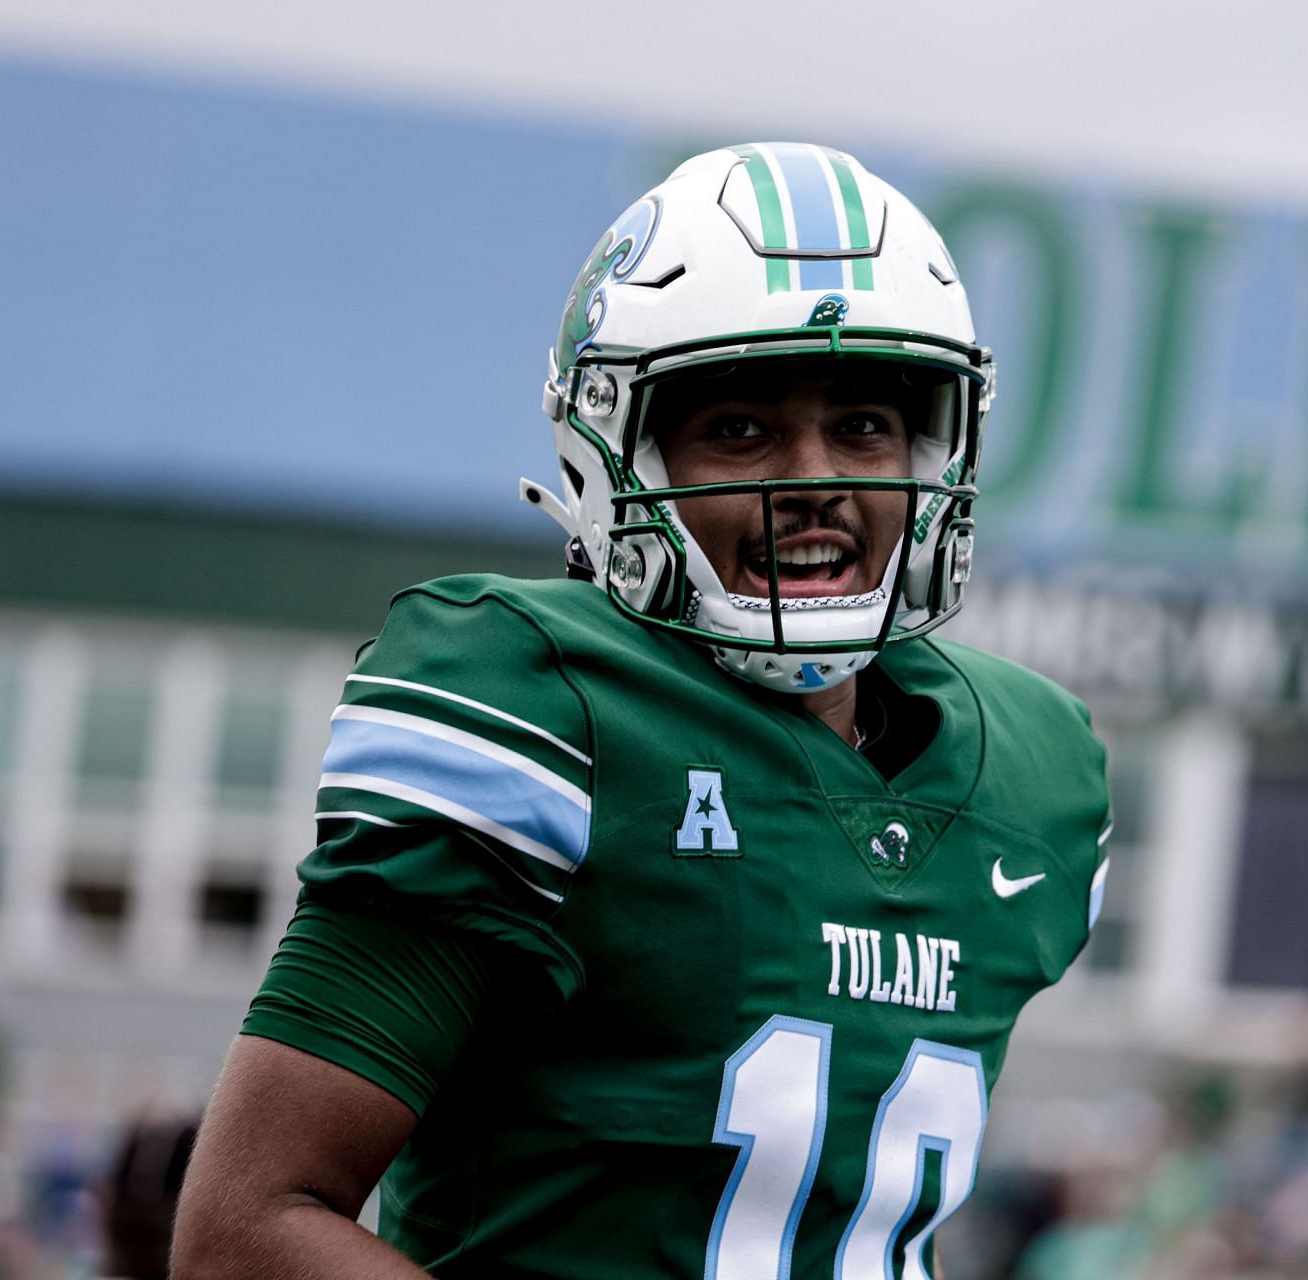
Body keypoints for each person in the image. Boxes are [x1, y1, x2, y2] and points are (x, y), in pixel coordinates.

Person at [171, 142, 1112, 1279]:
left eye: (863, 423)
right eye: (740, 428)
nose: (815, 476)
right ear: (615, 455)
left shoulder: (1032, 775)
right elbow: (244, 1229)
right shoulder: (550, 703)